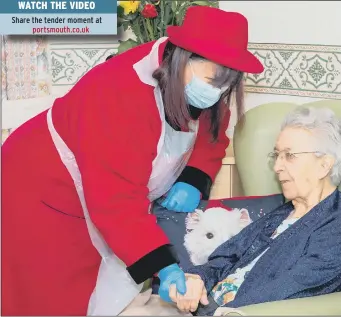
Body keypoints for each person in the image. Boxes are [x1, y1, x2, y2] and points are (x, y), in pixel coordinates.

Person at [1, 6, 264, 316]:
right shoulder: (120, 94)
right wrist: (165, 268)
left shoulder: (195, 84)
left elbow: (212, 132)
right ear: (183, 58)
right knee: (53, 294)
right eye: (212, 81)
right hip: (40, 186)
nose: (217, 92)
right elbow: (116, 202)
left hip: (103, 194)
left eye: (225, 85)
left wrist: (195, 176)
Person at [167, 106, 341, 315]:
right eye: (276, 155)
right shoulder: (281, 215)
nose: (277, 166)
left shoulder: (335, 224)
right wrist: (197, 278)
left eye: (289, 156)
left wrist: (222, 311)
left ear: (324, 165)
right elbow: (225, 258)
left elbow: (296, 287)